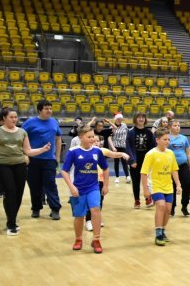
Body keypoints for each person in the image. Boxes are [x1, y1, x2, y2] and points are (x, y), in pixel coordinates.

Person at [0, 107, 51, 236]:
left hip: (20, 165)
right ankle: (11, 223)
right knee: (10, 192)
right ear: (4, 118)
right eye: (11, 117)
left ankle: (12, 217)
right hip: (2, 165)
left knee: (18, 194)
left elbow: (28, 151)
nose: (14, 119)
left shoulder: (22, 132)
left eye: (15, 117)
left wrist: (42, 149)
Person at [62, 125, 108, 254]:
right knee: (79, 216)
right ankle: (78, 239)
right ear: (81, 137)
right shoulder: (73, 151)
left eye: (93, 136)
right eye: (89, 137)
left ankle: (96, 239)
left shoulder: (97, 151)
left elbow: (105, 168)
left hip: (93, 187)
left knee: (96, 210)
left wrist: (105, 185)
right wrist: (72, 187)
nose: (92, 139)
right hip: (78, 188)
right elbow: (64, 171)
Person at [22, 99, 63, 220]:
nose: (49, 110)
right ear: (40, 110)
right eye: (46, 108)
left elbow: (58, 139)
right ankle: (36, 208)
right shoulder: (29, 122)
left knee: (50, 184)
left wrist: (58, 157)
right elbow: (21, 138)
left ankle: (55, 209)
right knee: (34, 186)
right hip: (32, 159)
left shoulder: (54, 122)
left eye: (50, 108)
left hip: (49, 160)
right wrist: (25, 154)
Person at [141, 128, 181, 246]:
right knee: (161, 205)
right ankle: (158, 233)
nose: (167, 141)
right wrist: (145, 189)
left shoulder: (170, 153)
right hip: (155, 185)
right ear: (157, 140)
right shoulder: (150, 154)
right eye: (165, 139)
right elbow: (144, 172)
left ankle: (163, 230)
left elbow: (174, 170)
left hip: (168, 186)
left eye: (168, 139)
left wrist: (178, 184)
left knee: (168, 209)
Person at [126, 113, 156, 209]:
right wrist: (132, 161)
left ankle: (148, 198)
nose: (141, 119)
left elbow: (153, 147)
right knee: (135, 181)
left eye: (143, 117)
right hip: (135, 161)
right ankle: (137, 200)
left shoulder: (149, 133)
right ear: (135, 119)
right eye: (139, 117)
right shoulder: (130, 133)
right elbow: (128, 148)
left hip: (146, 160)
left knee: (147, 181)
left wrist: (152, 161)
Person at [168, 120, 190, 217]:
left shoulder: (184, 138)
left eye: (178, 125)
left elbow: (188, 153)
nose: (177, 127)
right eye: (175, 125)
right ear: (170, 127)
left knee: (187, 185)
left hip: (183, 165)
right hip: (171, 167)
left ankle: (184, 206)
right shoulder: (167, 138)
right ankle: (172, 208)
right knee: (172, 187)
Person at [109, 113, 130, 183]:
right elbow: (110, 138)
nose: (119, 120)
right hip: (116, 147)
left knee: (124, 162)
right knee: (116, 162)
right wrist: (112, 147)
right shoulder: (111, 127)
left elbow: (128, 134)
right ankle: (117, 177)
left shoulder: (124, 125)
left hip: (123, 146)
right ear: (115, 119)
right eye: (118, 119)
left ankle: (127, 176)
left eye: (120, 119)